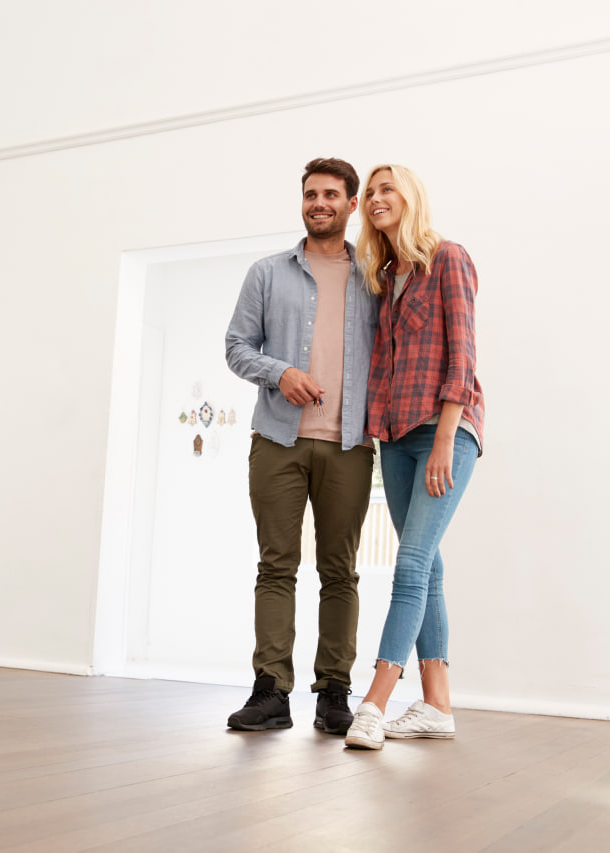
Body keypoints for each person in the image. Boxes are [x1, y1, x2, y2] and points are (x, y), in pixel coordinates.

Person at [224, 158, 379, 735]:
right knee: (276, 567)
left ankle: (334, 692)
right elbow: (237, 346)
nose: (319, 203)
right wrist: (280, 372)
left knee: (339, 571)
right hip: (278, 442)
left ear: (351, 205)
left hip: (350, 444)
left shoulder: (375, 277)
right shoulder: (268, 273)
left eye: (331, 194)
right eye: (311, 194)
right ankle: (271, 691)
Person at [343, 164, 484, 750]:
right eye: (370, 193)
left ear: (410, 197)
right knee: (428, 568)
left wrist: (448, 437)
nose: (376, 199)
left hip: (444, 431)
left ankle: (375, 702)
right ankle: (438, 706)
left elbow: (463, 355)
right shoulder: (385, 277)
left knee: (411, 564)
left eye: (386, 189)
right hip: (396, 437)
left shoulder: (447, 258)